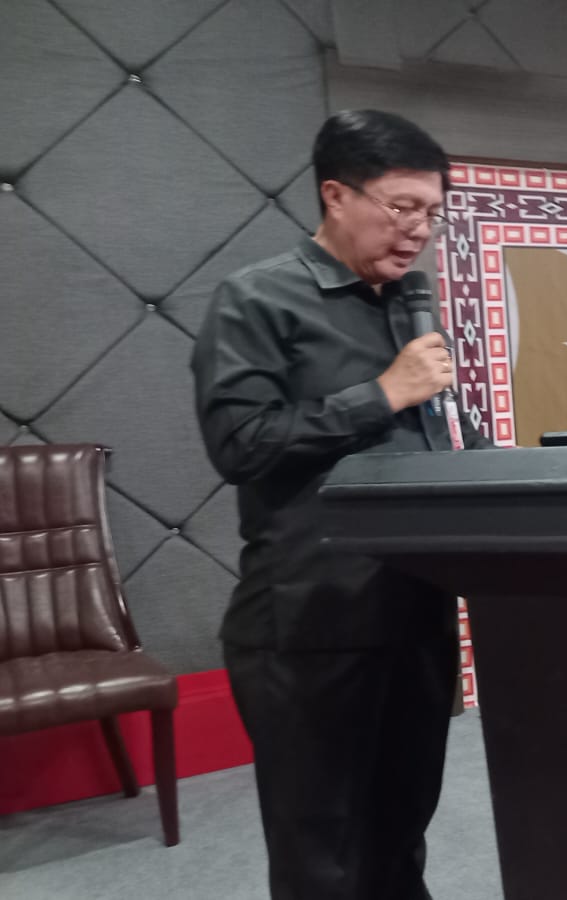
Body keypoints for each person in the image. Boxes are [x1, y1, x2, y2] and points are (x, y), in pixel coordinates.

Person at [191, 109, 492, 900]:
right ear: (336, 194)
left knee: (401, 833)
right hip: (311, 625)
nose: (419, 229)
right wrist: (382, 394)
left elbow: (439, 438)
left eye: (431, 212)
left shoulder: (408, 307)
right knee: (322, 854)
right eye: (402, 207)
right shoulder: (257, 300)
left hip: (417, 611)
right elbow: (240, 445)